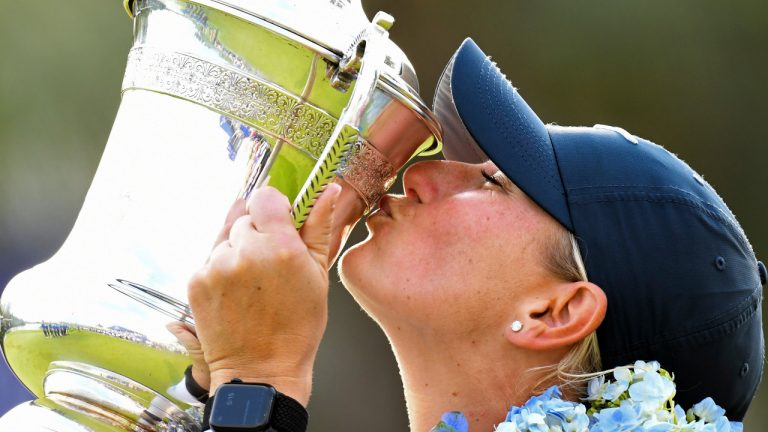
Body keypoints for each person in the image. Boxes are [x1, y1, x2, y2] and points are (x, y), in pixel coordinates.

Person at [180, 39, 764, 431]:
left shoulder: (259, 384)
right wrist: (203, 390)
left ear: (553, 312)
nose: (424, 173)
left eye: (492, 183)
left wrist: (257, 381)